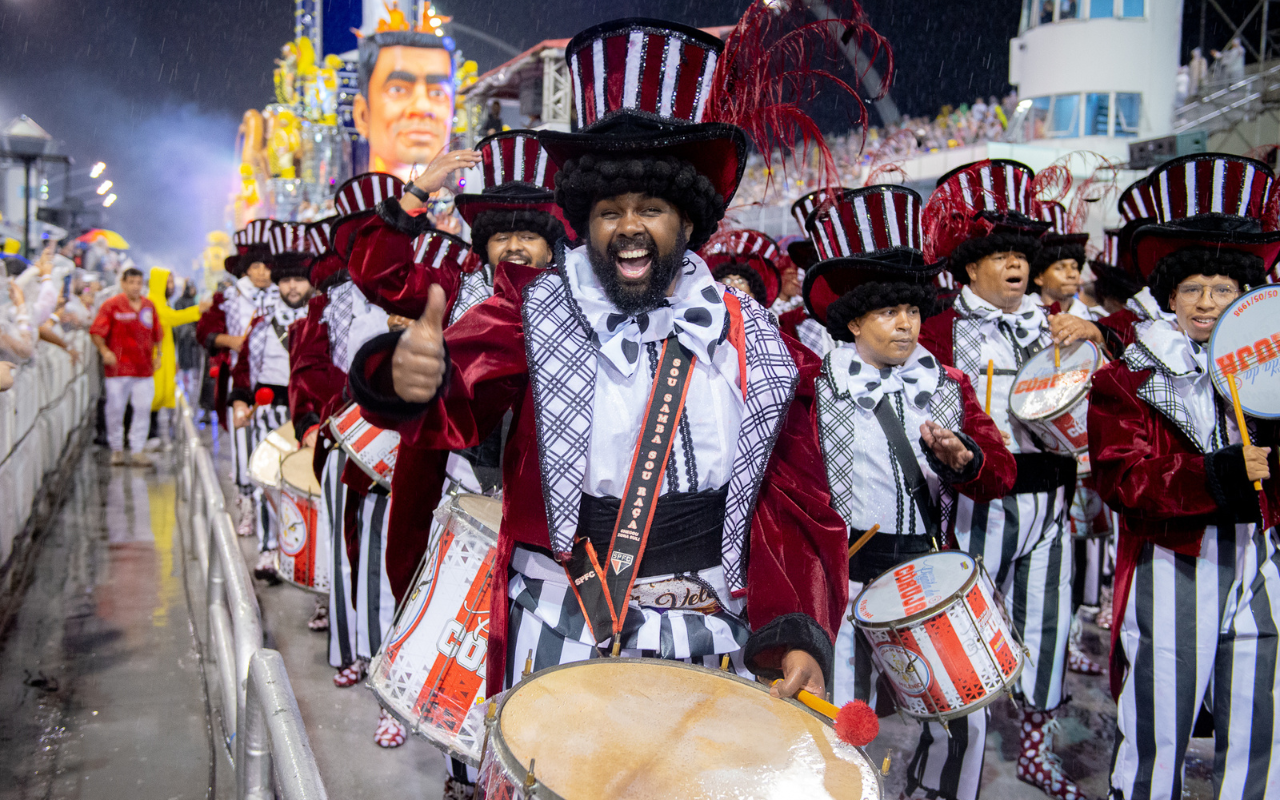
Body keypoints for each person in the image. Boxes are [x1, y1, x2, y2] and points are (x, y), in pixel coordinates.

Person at [350, 15, 846, 712]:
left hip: (715, 635)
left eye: (651, 207)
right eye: (610, 210)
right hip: (562, 629)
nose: (629, 227)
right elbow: (456, 392)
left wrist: (795, 629)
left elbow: (791, 503)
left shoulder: (756, 341)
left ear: (689, 221)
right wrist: (403, 376)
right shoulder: (531, 311)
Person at [804, 185, 1015, 800]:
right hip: (847, 580)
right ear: (854, 319)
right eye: (889, 312)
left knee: (964, 721)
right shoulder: (814, 390)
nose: (906, 324)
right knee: (841, 725)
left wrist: (965, 459)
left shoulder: (947, 383)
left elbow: (999, 472)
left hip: (929, 580)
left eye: (913, 311)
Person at [1090, 151, 1280, 800]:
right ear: (1169, 295)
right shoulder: (1129, 375)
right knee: (1157, 730)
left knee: (1263, 728)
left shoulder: (1270, 368)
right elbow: (1123, 480)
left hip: (1263, 568)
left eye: (1222, 289)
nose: (1207, 302)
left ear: (1244, 295)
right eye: (1192, 288)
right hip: (1176, 569)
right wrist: (1221, 475)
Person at [918, 159, 1102, 800]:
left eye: (1021, 253)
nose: (1015, 264)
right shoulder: (938, 331)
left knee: (1048, 627)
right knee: (965, 636)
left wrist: (1098, 333)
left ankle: (1033, 749)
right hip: (979, 506)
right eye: (999, 254)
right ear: (970, 266)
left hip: (1053, 504)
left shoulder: (1058, 322)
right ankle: (952, 762)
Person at [230, 223, 314, 578]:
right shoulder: (263, 320)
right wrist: (239, 400)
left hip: (309, 416)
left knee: (309, 489)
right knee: (268, 482)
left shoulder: (323, 315)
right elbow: (246, 366)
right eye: (286, 279)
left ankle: (309, 560)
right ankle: (268, 550)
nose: (292, 286)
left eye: (299, 278)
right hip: (268, 411)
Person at [200, 221, 279, 536]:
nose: (261, 272)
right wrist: (230, 341)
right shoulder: (229, 299)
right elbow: (204, 331)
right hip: (241, 384)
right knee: (243, 445)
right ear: (245, 269)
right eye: (255, 266)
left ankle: (272, 513)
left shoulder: (284, 296)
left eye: (266, 266)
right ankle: (246, 506)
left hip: (276, 385)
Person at [353, 12, 455, 181]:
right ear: (362, 114)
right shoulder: (351, 206)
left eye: (437, 93)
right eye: (398, 90)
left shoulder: (466, 207)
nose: (422, 107)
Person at [90, 267, 163, 467]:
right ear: (123, 283)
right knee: (115, 409)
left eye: (139, 283)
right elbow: (96, 331)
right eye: (131, 282)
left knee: (143, 409)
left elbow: (158, 334)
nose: (135, 287)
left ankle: (137, 449)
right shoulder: (112, 305)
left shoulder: (149, 306)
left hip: (144, 369)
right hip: (118, 369)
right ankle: (117, 449)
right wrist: (105, 351)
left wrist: (159, 356)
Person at [146, 267, 205, 450]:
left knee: (160, 395)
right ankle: (150, 436)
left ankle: (154, 436)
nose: (171, 286)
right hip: (155, 359)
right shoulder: (153, 304)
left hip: (165, 358)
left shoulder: (161, 303)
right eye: (168, 282)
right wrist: (198, 310)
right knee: (152, 397)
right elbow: (173, 319)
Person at [1030, 202, 1092, 318]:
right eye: (1060, 268)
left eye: (1074, 267)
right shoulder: (1021, 317)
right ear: (1039, 277)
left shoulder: (1091, 318)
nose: (1071, 274)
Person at [700, 228, 783, 309]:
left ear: (752, 292)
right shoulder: (711, 314)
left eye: (740, 281)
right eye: (728, 280)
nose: (733, 285)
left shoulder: (763, 319)